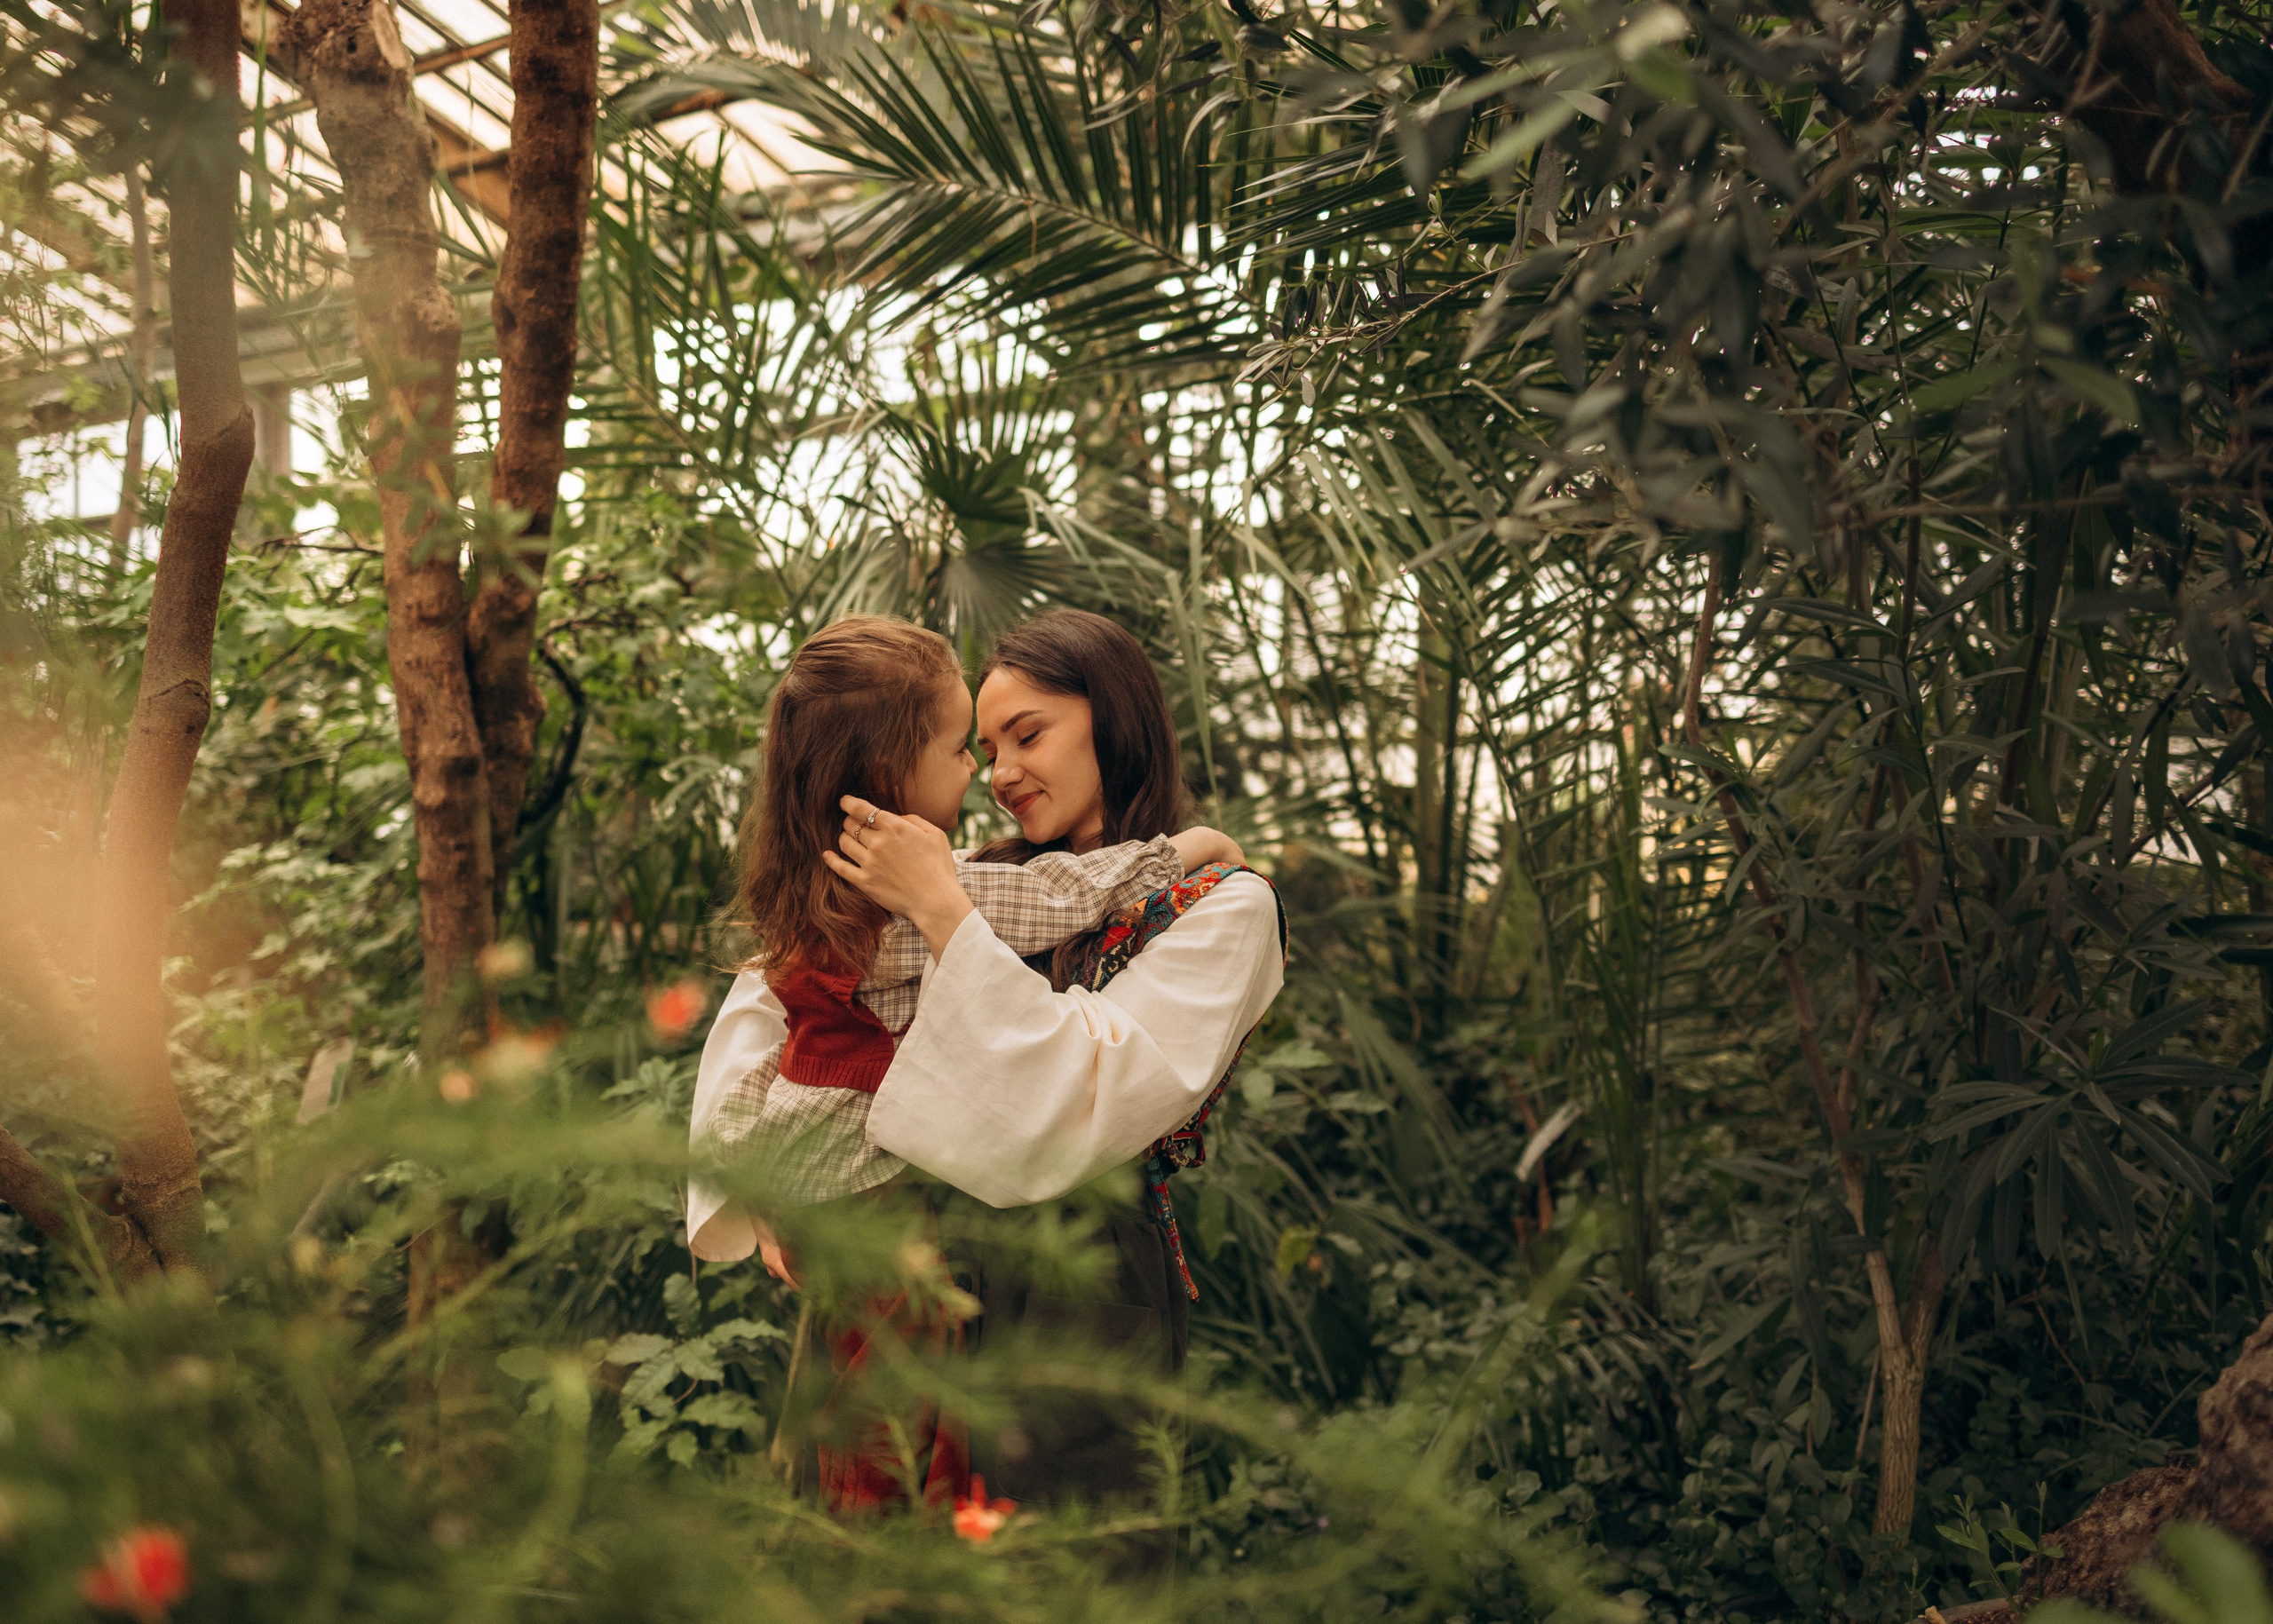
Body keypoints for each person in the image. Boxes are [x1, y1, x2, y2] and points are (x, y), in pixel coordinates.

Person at [690, 610, 1286, 1508]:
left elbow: (1080, 1093)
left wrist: (942, 914)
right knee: (871, 1568)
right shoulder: (972, 871)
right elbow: (776, 986)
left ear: (1113, 720)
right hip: (890, 1259)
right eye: (983, 744)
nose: (1000, 774)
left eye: (1027, 734)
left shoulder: (1219, 907)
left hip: (1074, 1282)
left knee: (1056, 1574)